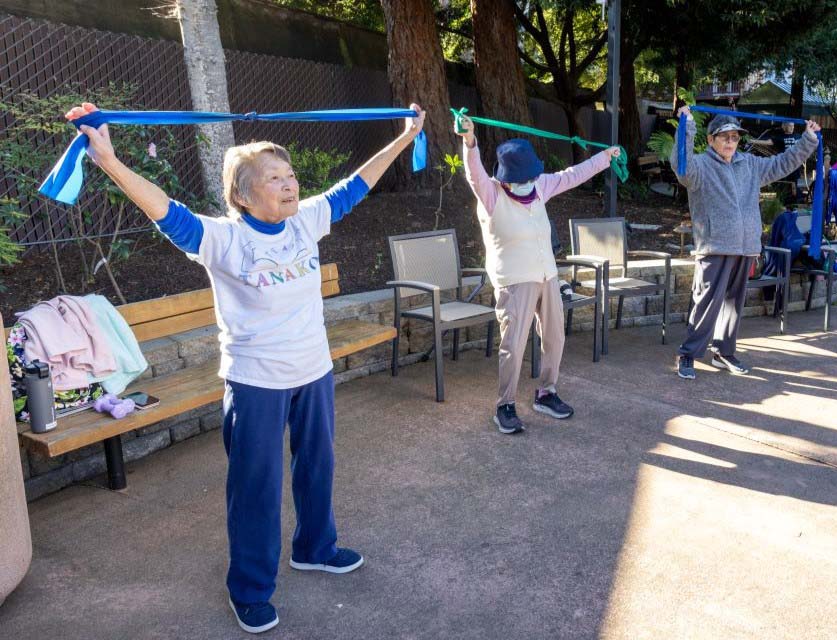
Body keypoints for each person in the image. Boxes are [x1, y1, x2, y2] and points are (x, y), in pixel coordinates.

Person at [64, 100, 427, 634]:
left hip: (313, 370)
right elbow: (164, 209)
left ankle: (315, 547)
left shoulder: (307, 222)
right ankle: (251, 589)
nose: (289, 185)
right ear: (241, 194)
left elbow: (357, 183)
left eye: (291, 175)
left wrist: (403, 136)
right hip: (255, 380)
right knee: (256, 487)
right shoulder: (224, 239)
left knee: (317, 467)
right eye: (274, 178)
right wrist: (110, 161)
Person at [455, 115, 620, 434]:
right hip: (514, 282)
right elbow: (473, 173)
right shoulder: (491, 195)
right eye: (521, 178)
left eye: (531, 176)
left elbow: (573, 175)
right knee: (513, 345)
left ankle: (547, 392)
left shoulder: (540, 186)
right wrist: (469, 140)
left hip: (547, 276)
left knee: (555, 337)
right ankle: (505, 404)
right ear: (505, 177)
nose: (528, 182)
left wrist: (605, 157)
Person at [671, 106, 820, 379]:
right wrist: (687, 126)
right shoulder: (700, 166)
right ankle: (688, 354)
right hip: (715, 246)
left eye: (735, 137)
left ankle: (724, 352)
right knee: (705, 303)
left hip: (745, 246)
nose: (730, 142)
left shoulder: (749, 164)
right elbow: (682, 167)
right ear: (711, 140)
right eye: (724, 136)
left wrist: (808, 139)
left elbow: (783, 163)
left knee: (733, 304)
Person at [754, 121, 802, 205]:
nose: (792, 128)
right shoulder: (780, 137)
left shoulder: (798, 136)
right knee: (784, 184)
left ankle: (794, 203)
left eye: (793, 126)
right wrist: (753, 141)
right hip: (784, 165)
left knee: (794, 183)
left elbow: (806, 143)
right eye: (790, 126)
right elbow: (768, 142)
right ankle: (783, 202)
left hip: (795, 165)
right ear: (784, 127)